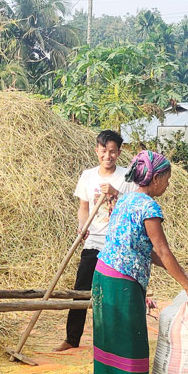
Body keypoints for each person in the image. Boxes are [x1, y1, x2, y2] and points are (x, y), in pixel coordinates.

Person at [91, 151, 188, 374]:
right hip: (123, 281)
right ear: (155, 178)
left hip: (103, 274)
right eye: (166, 179)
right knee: (131, 339)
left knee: (109, 334)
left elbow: (140, 247)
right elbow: (162, 250)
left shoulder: (126, 200)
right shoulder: (149, 207)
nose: (167, 184)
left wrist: (172, 269)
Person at [53, 130, 135, 352]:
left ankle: (113, 341)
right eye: (103, 151)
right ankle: (72, 338)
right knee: (81, 289)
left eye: (112, 152)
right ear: (96, 150)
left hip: (116, 244)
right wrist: (83, 226)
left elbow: (132, 206)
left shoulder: (126, 177)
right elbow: (83, 207)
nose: (107, 156)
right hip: (93, 242)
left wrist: (116, 193)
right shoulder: (88, 176)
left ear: (118, 153)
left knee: (113, 291)